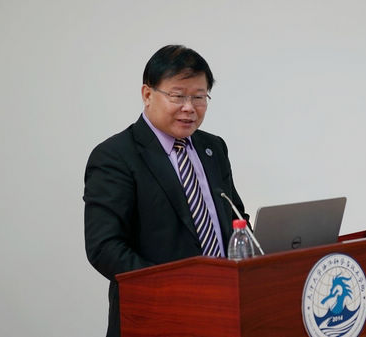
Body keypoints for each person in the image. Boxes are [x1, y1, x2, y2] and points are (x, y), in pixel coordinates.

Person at [83, 45, 249, 337]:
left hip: (222, 310)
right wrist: (173, 290)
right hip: (156, 315)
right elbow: (104, 247)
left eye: (199, 97)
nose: (189, 107)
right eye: (178, 96)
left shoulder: (213, 147)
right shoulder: (115, 156)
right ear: (148, 95)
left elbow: (235, 217)